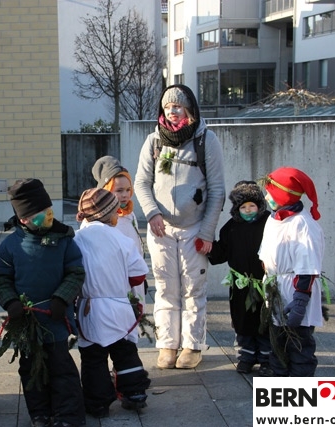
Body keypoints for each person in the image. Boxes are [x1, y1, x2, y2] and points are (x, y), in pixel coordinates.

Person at [134, 84, 225, 369]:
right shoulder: (154, 141)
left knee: (193, 290)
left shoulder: (206, 140)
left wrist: (207, 232)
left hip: (194, 229)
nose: (172, 111)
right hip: (161, 230)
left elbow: (217, 190)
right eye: (167, 106)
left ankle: (192, 346)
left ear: (189, 109)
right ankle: (167, 345)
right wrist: (152, 214)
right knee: (165, 288)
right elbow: (141, 183)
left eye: (178, 106)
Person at [0, 178, 85, 427]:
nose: (47, 215)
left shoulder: (64, 240)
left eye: (48, 209)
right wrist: (10, 302)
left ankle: (68, 415)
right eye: (39, 213)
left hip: (55, 318)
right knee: (31, 368)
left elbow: (75, 272)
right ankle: (40, 412)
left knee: (61, 367)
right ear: (23, 219)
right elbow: (1, 278)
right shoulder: (11, 246)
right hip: (27, 322)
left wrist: (61, 298)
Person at [73, 188, 151, 418]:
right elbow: (138, 276)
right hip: (119, 305)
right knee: (125, 351)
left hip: (89, 308)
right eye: (116, 211)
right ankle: (135, 393)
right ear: (107, 214)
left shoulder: (76, 240)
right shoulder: (121, 239)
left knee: (93, 358)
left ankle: (97, 403)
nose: (118, 214)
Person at [258, 167, 325, 377]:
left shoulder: (302, 224)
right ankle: (280, 381)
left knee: (298, 344)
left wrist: (300, 301)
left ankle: (299, 386)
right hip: (277, 289)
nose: (266, 197)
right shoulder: (274, 219)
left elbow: (308, 266)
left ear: (283, 195)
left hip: (295, 290)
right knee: (277, 343)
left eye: (270, 193)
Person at [207, 181, 272, 375]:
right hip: (240, 284)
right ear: (236, 208)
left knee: (264, 320)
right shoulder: (231, 227)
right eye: (243, 207)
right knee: (242, 320)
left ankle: (267, 357)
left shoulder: (270, 223)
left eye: (252, 205)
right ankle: (246, 356)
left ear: (260, 205)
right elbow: (222, 252)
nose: (248, 210)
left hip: (264, 283)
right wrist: (208, 246)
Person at [92, 155, 147, 299]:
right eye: (119, 190)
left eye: (128, 189)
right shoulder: (100, 221)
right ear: (106, 190)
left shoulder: (130, 214)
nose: (125, 195)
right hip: (115, 285)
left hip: (135, 279)